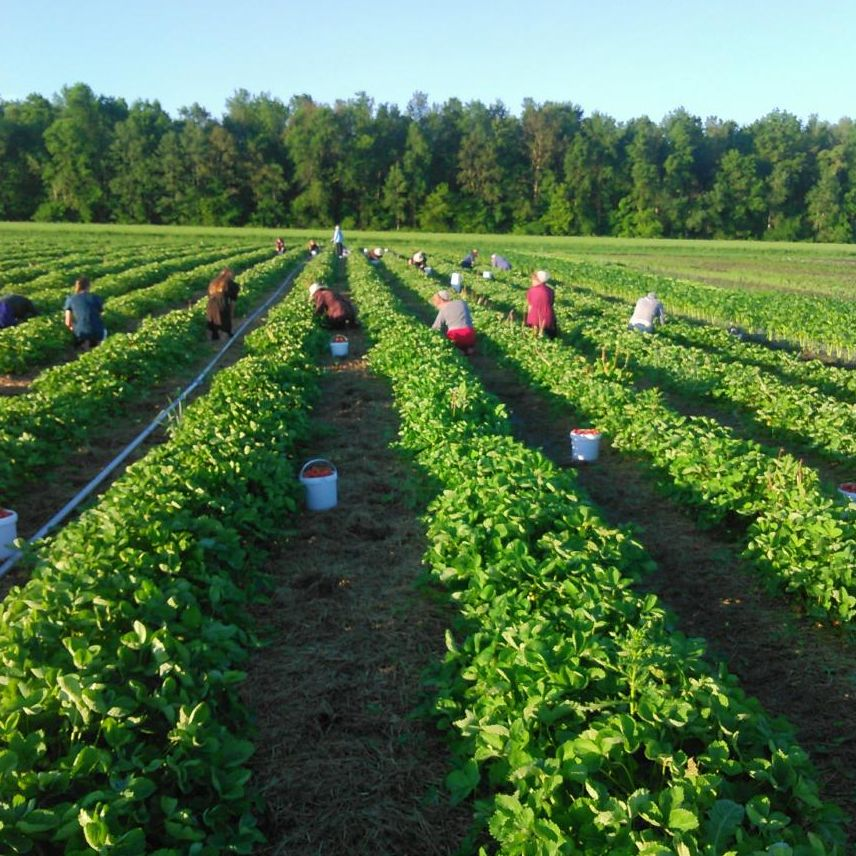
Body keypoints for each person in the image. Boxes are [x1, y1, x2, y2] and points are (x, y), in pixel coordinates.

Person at [63, 277, 105, 351]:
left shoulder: (71, 299)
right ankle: (98, 349)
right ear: (88, 286)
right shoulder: (96, 298)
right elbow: (100, 317)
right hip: (97, 331)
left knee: (84, 336)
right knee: (99, 335)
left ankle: (84, 348)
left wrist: (74, 329)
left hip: (81, 331)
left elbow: (68, 322)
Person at [431, 289, 477, 355]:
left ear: (440, 300)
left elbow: (436, 327)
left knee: (448, 336)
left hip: (456, 335)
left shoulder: (444, 308)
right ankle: (469, 348)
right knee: (467, 341)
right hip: (470, 333)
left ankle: (459, 350)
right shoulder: (462, 303)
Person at [206, 268, 240, 341]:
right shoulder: (231, 284)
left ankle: (215, 337)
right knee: (225, 319)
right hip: (222, 302)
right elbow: (233, 301)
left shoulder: (213, 283)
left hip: (211, 303)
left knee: (214, 319)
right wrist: (231, 312)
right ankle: (226, 337)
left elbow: (209, 295)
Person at [525, 270, 558, 339]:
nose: (532, 282)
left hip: (534, 317)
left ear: (538, 280)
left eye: (533, 280)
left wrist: (528, 318)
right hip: (548, 317)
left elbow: (530, 306)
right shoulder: (551, 291)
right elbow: (551, 303)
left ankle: (535, 338)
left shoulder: (531, 290)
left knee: (534, 334)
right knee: (545, 335)